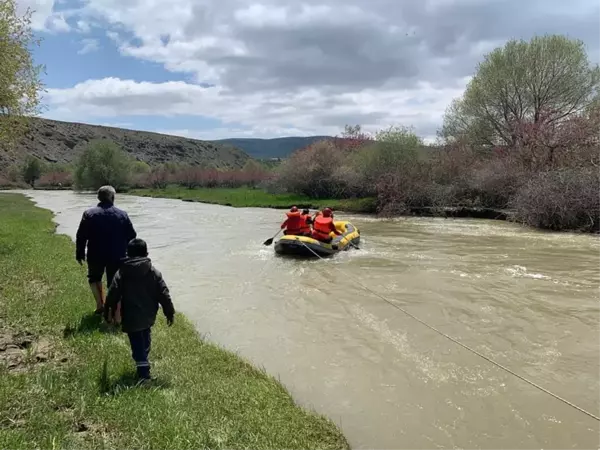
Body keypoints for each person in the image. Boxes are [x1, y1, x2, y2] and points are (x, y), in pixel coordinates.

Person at [104, 238, 175, 381]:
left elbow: (113, 293)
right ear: (147, 253)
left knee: (137, 342)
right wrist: (169, 312)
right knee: (144, 339)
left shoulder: (122, 273)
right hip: (149, 314)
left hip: (130, 315)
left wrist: (107, 311)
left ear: (127, 254)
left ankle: (143, 372)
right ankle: (143, 366)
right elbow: (164, 294)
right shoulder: (154, 272)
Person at [76, 186, 137, 318]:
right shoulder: (122, 214)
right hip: (117, 254)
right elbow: (132, 236)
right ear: (113, 197)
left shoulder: (89, 214)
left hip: (95, 253)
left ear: (98, 198)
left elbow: (81, 236)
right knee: (115, 283)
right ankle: (116, 314)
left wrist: (80, 253)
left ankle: (100, 306)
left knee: (94, 278)